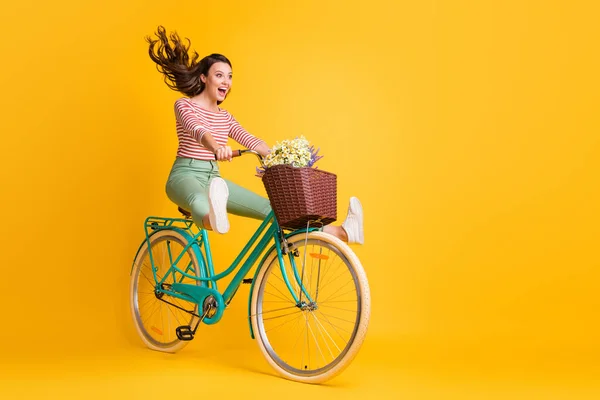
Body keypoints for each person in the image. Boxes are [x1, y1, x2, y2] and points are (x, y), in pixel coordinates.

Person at [146, 26, 364, 245]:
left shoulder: (226, 116)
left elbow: (249, 139)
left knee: (272, 209)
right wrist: (216, 148)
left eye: (229, 77)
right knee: (198, 201)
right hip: (185, 175)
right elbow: (197, 130)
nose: (226, 82)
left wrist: (280, 158)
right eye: (219, 75)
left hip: (214, 179)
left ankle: (342, 232)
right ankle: (214, 217)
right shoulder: (184, 105)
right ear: (203, 78)